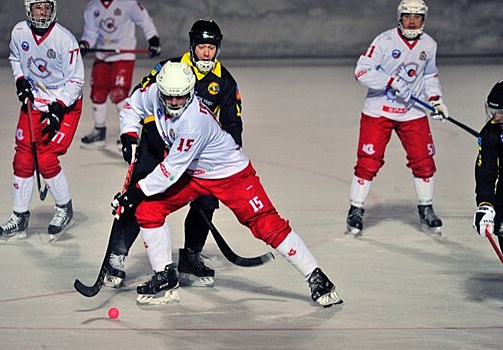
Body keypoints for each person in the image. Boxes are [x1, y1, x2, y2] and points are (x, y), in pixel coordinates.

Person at [111, 60, 343, 307]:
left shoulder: (193, 122)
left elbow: (169, 171)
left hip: (230, 174)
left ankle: (316, 277)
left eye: (181, 97)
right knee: (149, 211)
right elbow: (132, 106)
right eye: (170, 97)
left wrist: (134, 193)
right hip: (193, 174)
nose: (175, 103)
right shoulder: (154, 94)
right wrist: (128, 135)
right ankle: (164, 274)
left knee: (266, 225)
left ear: (191, 92)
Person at [106, 19, 242, 289]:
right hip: (156, 145)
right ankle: (116, 256)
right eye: (202, 46)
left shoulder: (225, 82)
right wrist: (140, 137)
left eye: (211, 48)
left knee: (206, 199)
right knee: (137, 194)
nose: (206, 53)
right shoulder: (169, 69)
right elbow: (139, 97)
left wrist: (226, 158)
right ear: (192, 46)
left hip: (194, 153)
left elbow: (233, 125)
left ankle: (190, 257)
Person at [346, 0, 448, 236]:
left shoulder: (429, 45)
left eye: (417, 17)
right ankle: (355, 209)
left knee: (423, 160)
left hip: (412, 112)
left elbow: (430, 75)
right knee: (368, 161)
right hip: (378, 111)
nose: (412, 21)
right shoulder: (384, 41)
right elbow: (362, 71)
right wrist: (391, 82)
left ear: (424, 19)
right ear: (399, 18)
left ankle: (426, 208)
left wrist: (435, 100)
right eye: (407, 16)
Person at [0, 0, 84, 243]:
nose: (42, 13)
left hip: (65, 104)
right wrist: (20, 79)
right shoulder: (19, 32)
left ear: (53, 10)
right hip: (35, 103)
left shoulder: (65, 39)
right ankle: (19, 217)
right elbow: (15, 58)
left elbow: (75, 81)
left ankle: (65, 208)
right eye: (37, 8)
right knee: (23, 156)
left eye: (46, 8)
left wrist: (58, 108)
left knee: (46, 157)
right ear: (28, 10)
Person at [79, 0, 160, 149]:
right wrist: (85, 44)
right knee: (97, 91)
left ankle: (129, 132)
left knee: (119, 93)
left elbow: (144, 19)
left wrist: (153, 38)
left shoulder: (127, 3)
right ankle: (99, 131)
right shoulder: (93, 7)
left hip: (124, 55)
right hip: (103, 55)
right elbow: (90, 32)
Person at [473, 77, 503, 309]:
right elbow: (486, 169)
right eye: (495, 111)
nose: (498, 117)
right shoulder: (490, 132)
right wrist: (485, 204)